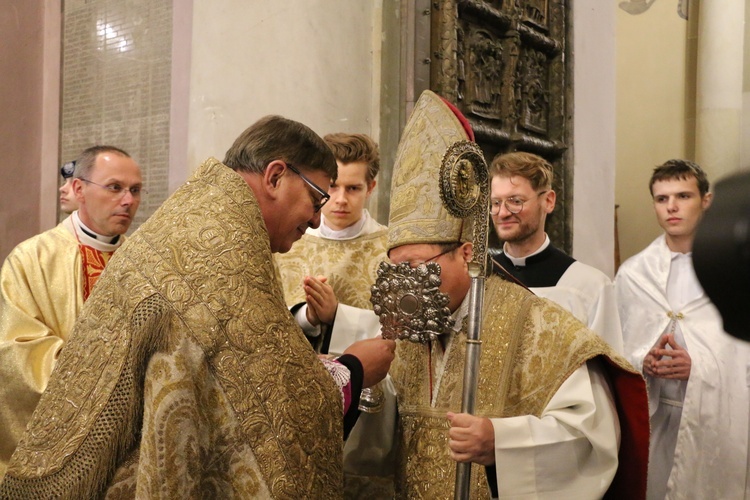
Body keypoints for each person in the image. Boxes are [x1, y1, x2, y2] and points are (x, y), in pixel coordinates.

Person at [0, 115, 396, 498]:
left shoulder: (199, 218)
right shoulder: (224, 248)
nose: (315, 220)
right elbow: (271, 404)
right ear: (275, 176)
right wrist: (352, 370)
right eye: (316, 198)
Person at [376, 90, 649, 498]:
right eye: (396, 269)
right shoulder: (406, 329)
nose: (406, 284)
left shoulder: (540, 323)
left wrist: (500, 442)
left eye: (416, 266)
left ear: (466, 253)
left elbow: (592, 434)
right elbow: (380, 443)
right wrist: (366, 384)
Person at [0, 145, 143, 476]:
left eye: (135, 190)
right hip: (63, 442)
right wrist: (105, 382)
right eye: (115, 187)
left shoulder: (143, 261)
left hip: (129, 445)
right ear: (79, 189)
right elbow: (15, 353)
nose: (128, 201)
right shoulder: (32, 259)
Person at [615, 159, 750, 500]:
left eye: (683, 196)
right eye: (662, 199)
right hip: (654, 421)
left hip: (717, 422)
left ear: (706, 200)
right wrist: (641, 359)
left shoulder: (735, 270)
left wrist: (698, 367)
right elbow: (612, 345)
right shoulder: (634, 275)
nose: (672, 207)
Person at [274, 132, 394, 497]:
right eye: (334, 187)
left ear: (372, 186)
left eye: (354, 188)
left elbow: (403, 333)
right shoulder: (288, 243)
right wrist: (309, 318)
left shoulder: (391, 248)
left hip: (370, 415)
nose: (340, 200)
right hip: (297, 407)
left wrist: (338, 316)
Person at [488, 151, 623, 352]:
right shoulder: (480, 279)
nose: (503, 213)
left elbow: (606, 374)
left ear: (548, 201)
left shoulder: (590, 287)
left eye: (515, 201)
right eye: (496, 203)